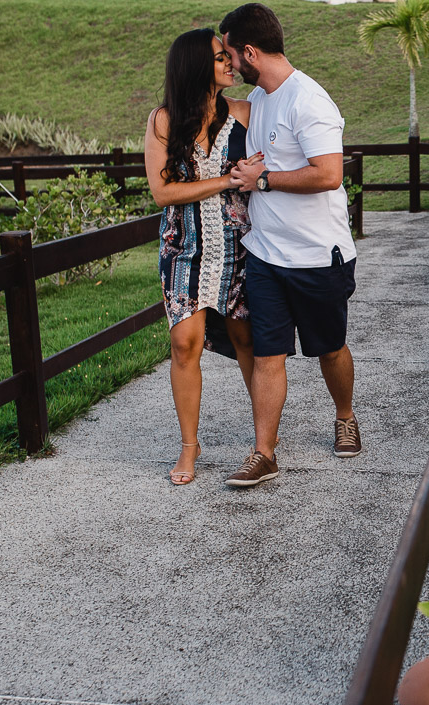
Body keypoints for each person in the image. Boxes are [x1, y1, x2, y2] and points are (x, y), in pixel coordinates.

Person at [219, 3, 362, 488]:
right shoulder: (260, 98)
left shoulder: (309, 100)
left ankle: (344, 414)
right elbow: (214, 113)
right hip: (265, 255)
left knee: (330, 348)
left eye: (231, 54)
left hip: (317, 256)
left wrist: (261, 181)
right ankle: (264, 453)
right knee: (267, 355)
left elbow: (329, 173)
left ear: (251, 51)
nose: (230, 63)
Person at [145, 29, 257, 486]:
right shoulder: (164, 120)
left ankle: (262, 441)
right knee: (184, 344)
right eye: (219, 58)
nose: (230, 62)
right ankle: (189, 448)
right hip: (184, 250)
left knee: (247, 340)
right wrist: (226, 181)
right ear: (196, 67)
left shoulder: (247, 113)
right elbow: (162, 191)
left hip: (237, 249)